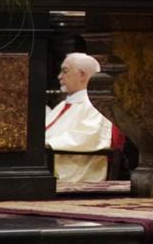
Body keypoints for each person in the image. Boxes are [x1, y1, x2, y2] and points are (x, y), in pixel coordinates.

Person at [44, 53, 114, 183]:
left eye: (65, 71)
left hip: (75, 169)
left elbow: (89, 137)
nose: (59, 77)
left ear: (82, 75)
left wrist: (47, 144)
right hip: (50, 161)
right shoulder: (63, 105)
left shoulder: (96, 104)